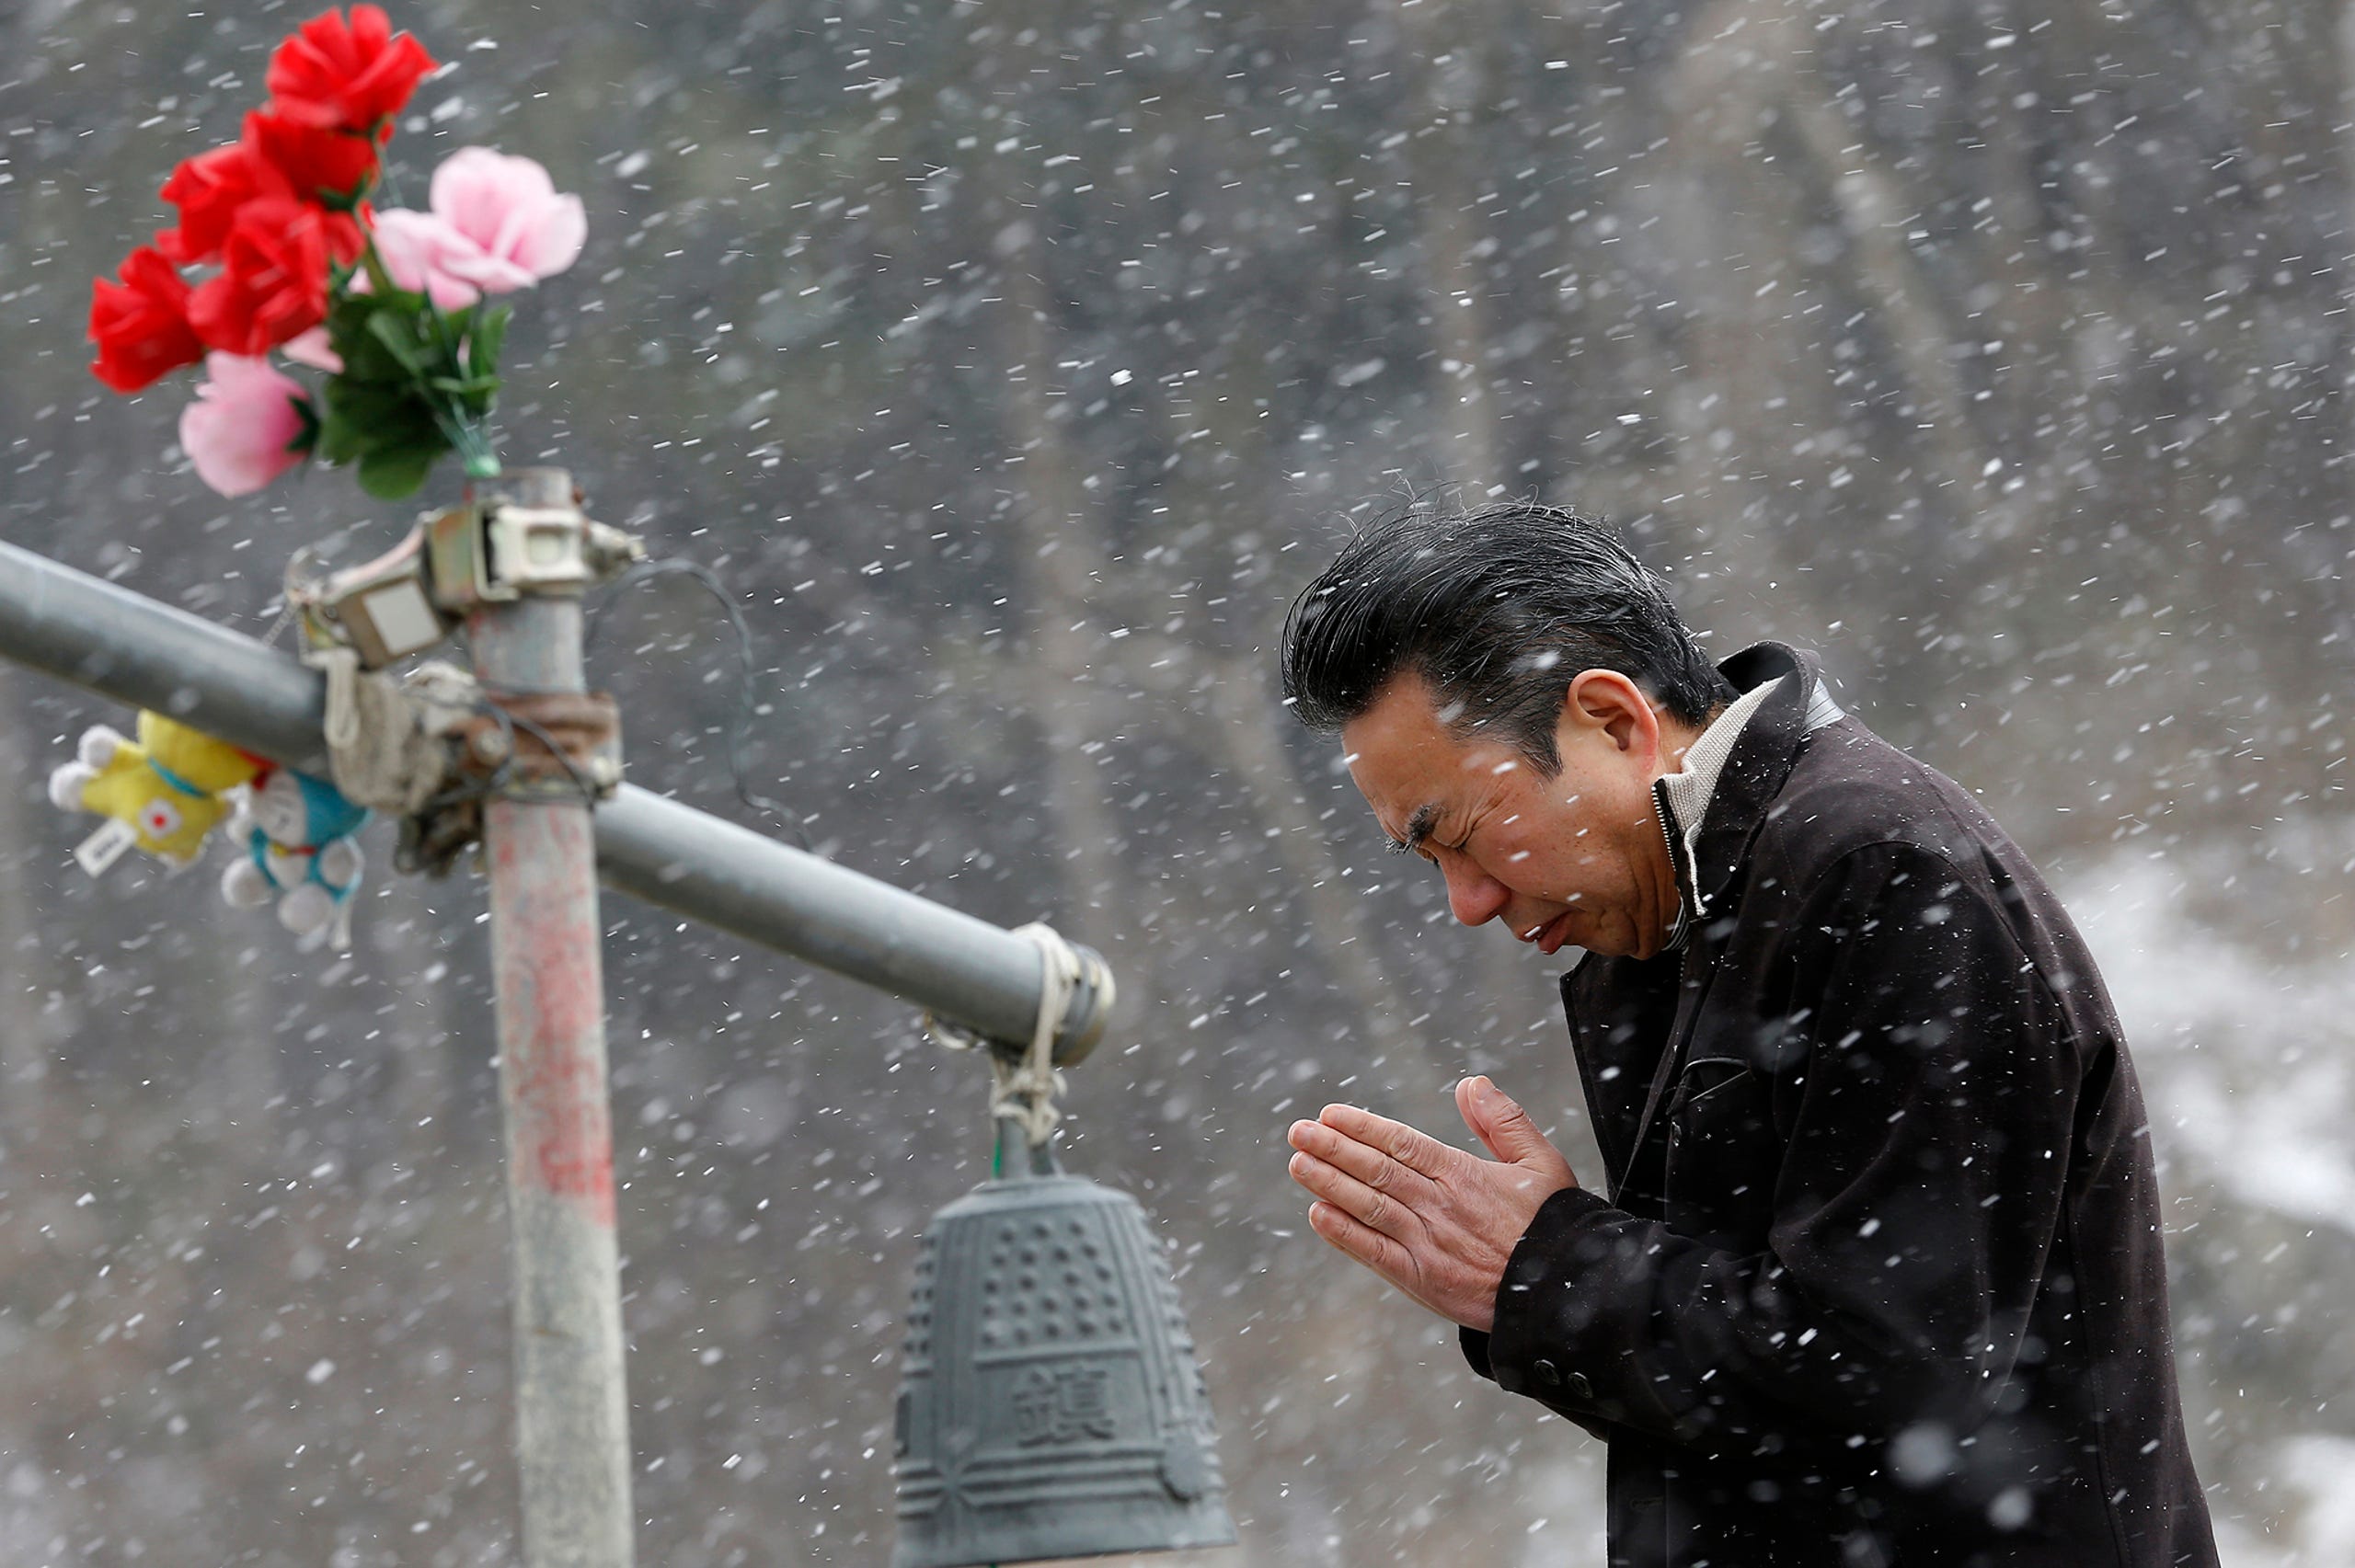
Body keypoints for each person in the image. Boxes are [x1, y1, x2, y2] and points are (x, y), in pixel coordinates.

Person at [1275, 504, 2218, 1568]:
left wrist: (1548, 1271)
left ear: (1612, 720)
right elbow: (1746, 1414)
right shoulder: (1671, 920)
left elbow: (1894, 1385)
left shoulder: (1880, 871)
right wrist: (1540, 1281)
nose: (1466, 901)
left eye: (1460, 834)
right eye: (1426, 861)